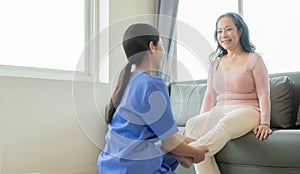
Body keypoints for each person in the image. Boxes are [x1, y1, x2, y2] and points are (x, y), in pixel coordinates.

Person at [97, 23, 208, 174]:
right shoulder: (152, 84)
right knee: (170, 145)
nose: (163, 50)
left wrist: (189, 146)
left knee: (167, 143)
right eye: (161, 44)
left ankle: (179, 155)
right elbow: (170, 143)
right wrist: (196, 153)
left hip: (109, 166)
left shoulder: (127, 80)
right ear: (152, 46)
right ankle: (179, 156)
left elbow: (168, 138)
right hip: (134, 169)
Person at [185, 12, 273, 174]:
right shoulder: (215, 64)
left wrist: (265, 123)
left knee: (224, 124)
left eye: (228, 29)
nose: (223, 35)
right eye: (219, 31)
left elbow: (263, 94)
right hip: (221, 110)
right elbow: (210, 96)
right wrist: (201, 124)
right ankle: (191, 150)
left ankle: (191, 151)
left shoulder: (254, 59)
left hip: (248, 111)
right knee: (192, 123)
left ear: (240, 31)